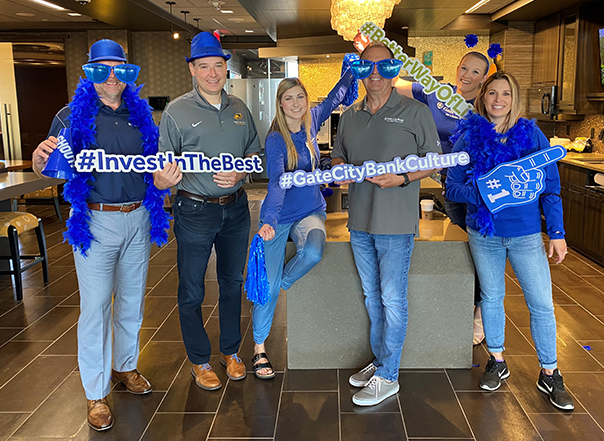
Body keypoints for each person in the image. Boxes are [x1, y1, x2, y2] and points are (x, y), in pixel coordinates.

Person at [32, 39, 170, 431]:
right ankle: (95, 393)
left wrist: (162, 183)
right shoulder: (69, 116)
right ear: (89, 73)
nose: (112, 78)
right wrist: (39, 162)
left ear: (128, 74)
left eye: (120, 70)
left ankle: (125, 367)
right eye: (102, 70)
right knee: (95, 309)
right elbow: (48, 167)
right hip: (94, 221)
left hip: (139, 217)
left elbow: (157, 170)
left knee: (131, 302)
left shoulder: (142, 116)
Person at [445, 71, 575, 411]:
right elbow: (452, 187)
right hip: (483, 233)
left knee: (542, 303)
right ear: (483, 97)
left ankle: (550, 372)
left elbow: (550, 187)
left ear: (514, 99)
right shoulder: (469, 136)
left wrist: (557, 233)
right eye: (492, 93)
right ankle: (497, 360)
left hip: (526, 234)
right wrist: (485, 193)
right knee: (491, 297)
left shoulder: (531, 135)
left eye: (505, 94)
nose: (498, 100)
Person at [331, 42, 440, 407]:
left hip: (395, 223)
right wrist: (337, 166)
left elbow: (435, 161)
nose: (374, 73)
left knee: (393, 300)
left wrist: (405, 178)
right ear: (359, 71)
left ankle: (389, 376)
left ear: (394, 70)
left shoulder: (415, 111)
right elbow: (338, 153)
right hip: (359, 220)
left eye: (382, 66)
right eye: (366, 66)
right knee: (373, 299)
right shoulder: (349, 115)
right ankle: (382, 363)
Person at [154, 31, 260, 391]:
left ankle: (230, 352)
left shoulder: (240, 109)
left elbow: (256, 155)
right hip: (195, 210)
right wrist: (164, 179)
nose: (212, 73)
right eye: (204, 67)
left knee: (233, 284)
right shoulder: (176, 111)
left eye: (218, 65)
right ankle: (199, 360)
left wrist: (242, 169)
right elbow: (161, 165)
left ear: (226, 69)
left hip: (237, 210)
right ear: (193, 71)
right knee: (192, 289)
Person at [253, 71, 354, 379]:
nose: (296, 103)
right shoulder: (275, 140)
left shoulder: (311, 120)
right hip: (279, 216)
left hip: (310, 211)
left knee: (311, 253)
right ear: (280, 104)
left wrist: (352, 67)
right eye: (288, 99)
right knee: (265, 289)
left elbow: (337, 95)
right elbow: (277, 183)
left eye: (300, 97)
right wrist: (268, 220)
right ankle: (259, 349)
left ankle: (284, 282)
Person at [396, 51, 489, 345]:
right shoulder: (436, 92)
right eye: (464, 68)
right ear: (457, 68)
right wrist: (378, 62)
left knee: (481, 252)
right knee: (462, 249)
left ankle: (479, 313)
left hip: (478, 190)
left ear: (484, 79)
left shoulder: (486, 107)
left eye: (476, 72)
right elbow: (393, 84)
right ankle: (462, 304)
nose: (467, 75)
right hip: (449, 183)